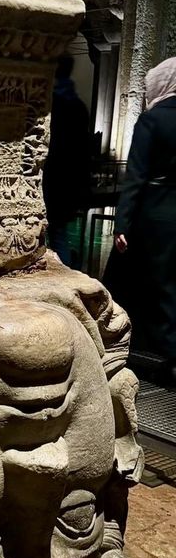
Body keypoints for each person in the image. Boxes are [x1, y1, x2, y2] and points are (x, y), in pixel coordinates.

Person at [108, 57, 176, 374]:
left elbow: (135, 176)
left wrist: (123, 224)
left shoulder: (152, 120)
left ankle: (139, 350)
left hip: (154, 215)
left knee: (145, 283)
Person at [43, 56, 92, 266]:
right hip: (69, 180)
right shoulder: (79, 107)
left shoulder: (51, 103)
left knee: (53, 232)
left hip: (51, 177)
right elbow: (82, 149)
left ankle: (58, 273)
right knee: (59, 232)